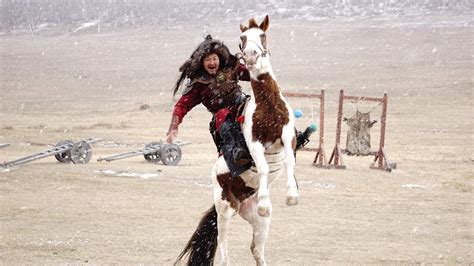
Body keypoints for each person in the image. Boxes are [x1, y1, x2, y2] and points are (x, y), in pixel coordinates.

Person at [166, 35, 251, 167]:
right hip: (223, 120)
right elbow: (182, 105)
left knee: (260, 104)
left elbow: (255, 75)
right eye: (207, 59)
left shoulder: (231, 68)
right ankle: (236, 151)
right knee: (222, 114)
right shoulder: (198, 84)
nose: (212, 63)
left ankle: (290, 135)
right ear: (202, 62)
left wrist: (261, 72)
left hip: (242, 105)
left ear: (219, 58)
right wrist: (174, 126)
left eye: (214, 58)